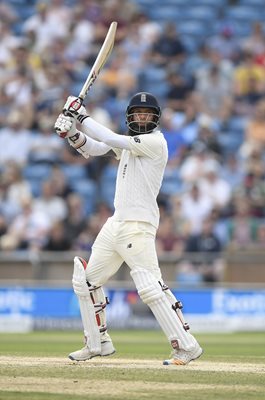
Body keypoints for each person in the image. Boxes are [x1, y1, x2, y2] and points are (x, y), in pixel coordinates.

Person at [54, 92, 202, 365]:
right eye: (137, 114)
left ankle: (186, 346)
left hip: (139, 225)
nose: (142, 117)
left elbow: (110, 138)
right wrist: (73, 132)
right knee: (85, 282)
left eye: (146, 114)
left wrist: (81, 114)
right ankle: (98, 344)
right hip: (116, 223)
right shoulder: (130, 145)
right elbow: (96, 148)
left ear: (155, 118)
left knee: (149, 287)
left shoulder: (155, 143)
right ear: (131, 117)